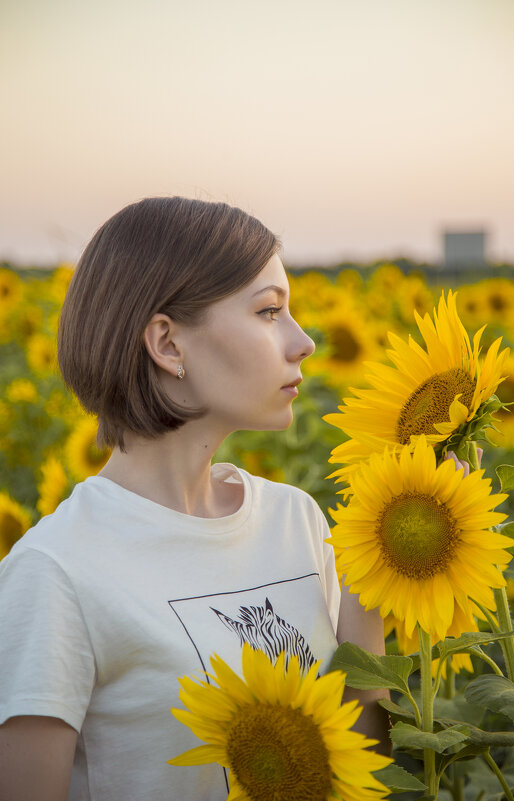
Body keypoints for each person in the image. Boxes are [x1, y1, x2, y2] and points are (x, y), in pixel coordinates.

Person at [0, 196, 389, 801]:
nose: (304, 341)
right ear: (168, 345)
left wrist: (381, 556)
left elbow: (362, 759)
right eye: (268, 312)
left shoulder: (296, 520)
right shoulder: (54, 573)